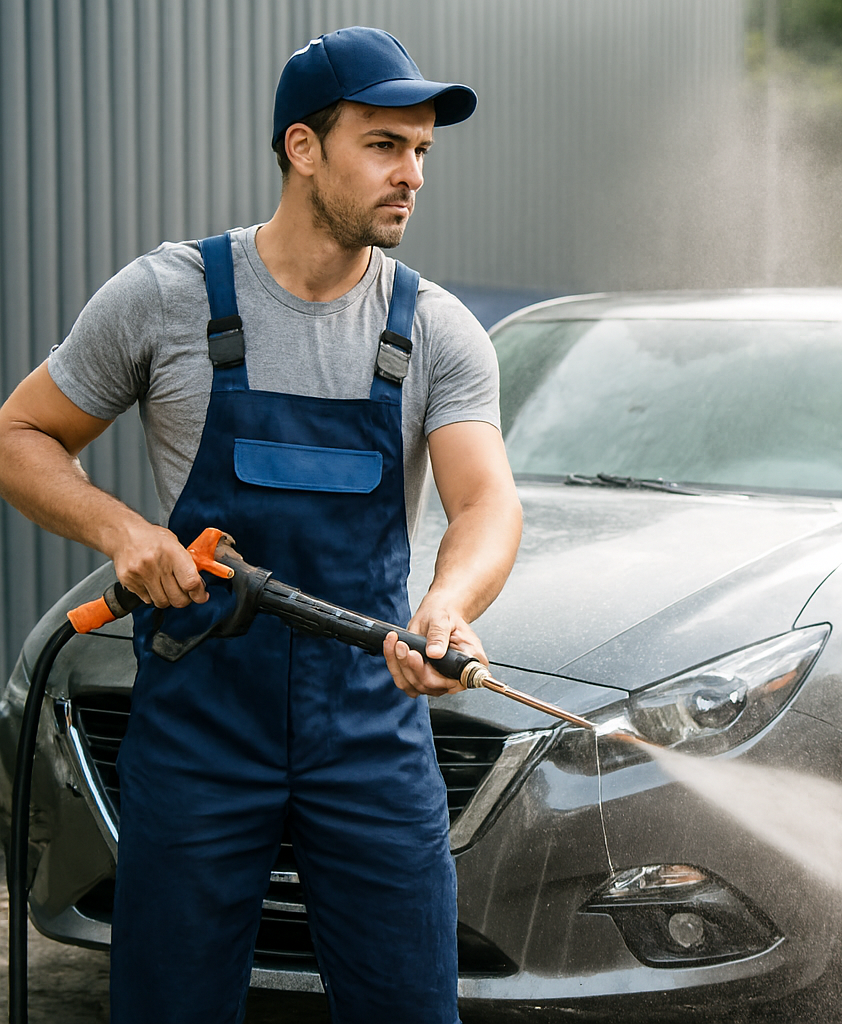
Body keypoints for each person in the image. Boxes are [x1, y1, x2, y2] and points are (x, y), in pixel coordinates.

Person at [0, 27, 519, 1023]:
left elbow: (487, 501)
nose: (411, 174)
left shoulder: (435, 328)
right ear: (303, 148)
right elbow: (20, 433)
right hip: (201, 723)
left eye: (422, 152)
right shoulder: (169, 298)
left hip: (369, 723)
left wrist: (448, 605)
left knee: (410, 1004)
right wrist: (122, 533)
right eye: (384, 144)